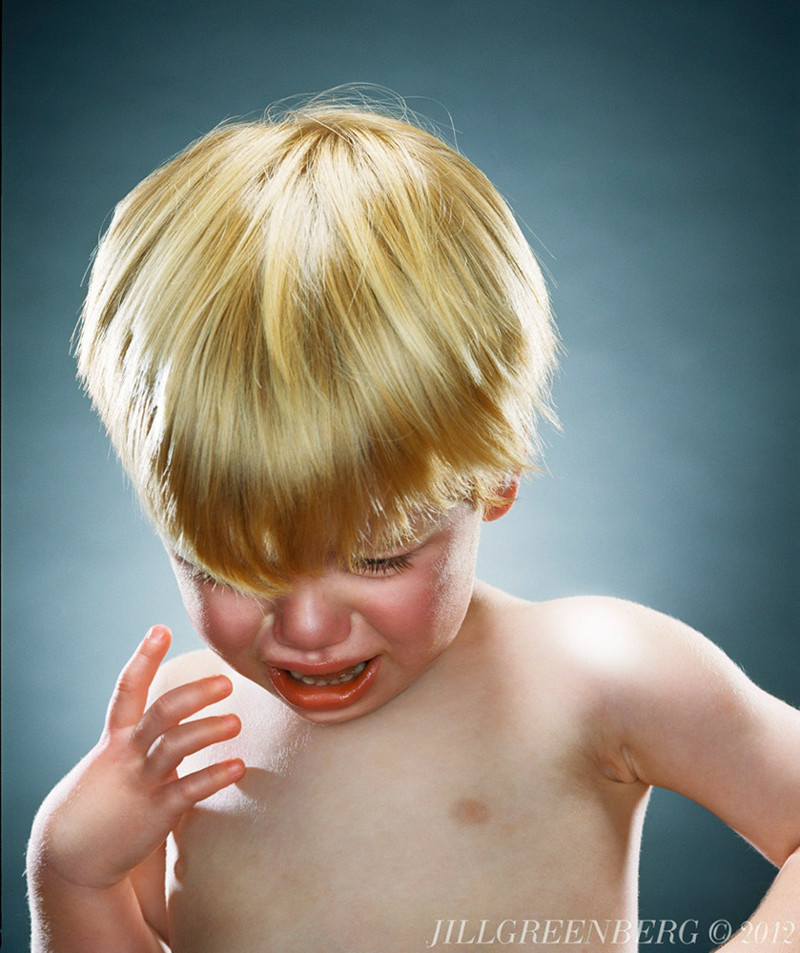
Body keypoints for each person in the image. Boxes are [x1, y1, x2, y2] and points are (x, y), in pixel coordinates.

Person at [27, 100, 800, 953]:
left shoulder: (595, 674)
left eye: (378, 555)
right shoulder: (182, 733)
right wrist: (73, 876)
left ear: (495, 475)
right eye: (235, 567)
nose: (308, 627)